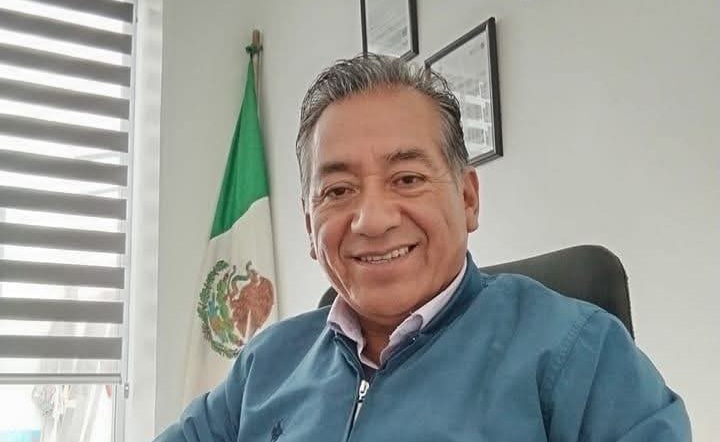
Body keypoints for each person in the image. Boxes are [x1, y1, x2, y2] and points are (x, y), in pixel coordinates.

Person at [154, 54, 691, 442]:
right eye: (338, 190)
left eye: (407, 179)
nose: (372, 220)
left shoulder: (580, 352)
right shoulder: (265, 364)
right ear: (309, 225)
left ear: (468, 198)